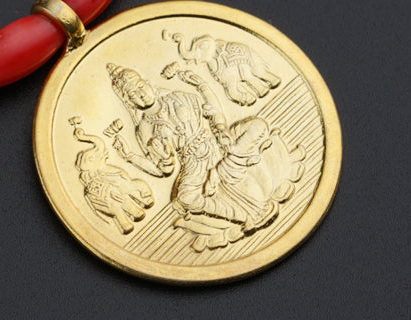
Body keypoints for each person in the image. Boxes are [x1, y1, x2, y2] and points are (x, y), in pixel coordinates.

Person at [106, 64, 303, 240]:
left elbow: (212, 108)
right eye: (133, 95)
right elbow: (162, 170)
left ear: (148, 83)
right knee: (185, 198)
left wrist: (218, 123)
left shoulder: (177, 97)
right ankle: (246, 216)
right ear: (129, 102)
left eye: (140, 86)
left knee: (257, 125)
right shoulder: (144, 128)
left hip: (215, 141)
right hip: (193, 162)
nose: (141, 94)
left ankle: (228, 166)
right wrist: (136, 157)